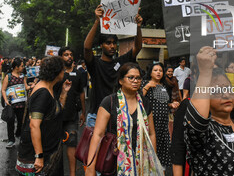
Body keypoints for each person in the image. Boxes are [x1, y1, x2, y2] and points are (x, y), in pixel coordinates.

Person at [185, 46, 234, 175]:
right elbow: (196, 121)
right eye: (216, 91)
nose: (226, 95)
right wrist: (205, 72)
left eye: (228, 89)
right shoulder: (205, 133)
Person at [85, 63, 163, 176]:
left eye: (138, 78)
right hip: (114, 161)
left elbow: (151, 134)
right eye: (130, 77)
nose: (135, 81)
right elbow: (98, 135)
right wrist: (90, 167)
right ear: (121, 81)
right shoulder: (110, 102)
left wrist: (152, 162)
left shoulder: (145, 103)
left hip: (141, 162)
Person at [84, 4, 143, 127]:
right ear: (101, 45)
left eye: (114, 43)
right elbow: (86, 47)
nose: (112, 46)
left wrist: (138, 27)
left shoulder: (121, 62)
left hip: (117, 115)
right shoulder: (95, 64)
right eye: (108, 43)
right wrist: (97, 21)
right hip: (96, 116)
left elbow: (137, 47)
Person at [16, 56, 72, 175]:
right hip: (39, 156)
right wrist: (39, 156)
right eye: (63, 70)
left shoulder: (49, 89)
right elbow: (34, 125)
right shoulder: (43, 93)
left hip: (50, 150)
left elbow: (55, 111)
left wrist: (64, 92)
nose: (64, 72)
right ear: (56, 72)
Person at [54, 47, 86, 176]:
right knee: (56, 147)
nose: (69, 57)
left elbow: (82, 93)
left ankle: (72, 174)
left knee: (72, 144)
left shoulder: (78, 74)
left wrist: (83, 112)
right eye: (66, 54)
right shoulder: (56, 74)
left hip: (72, 116)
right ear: (61, 57)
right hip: (56, 116)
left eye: (71, 54)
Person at [142, 62, 179, 170]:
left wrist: (171, 105)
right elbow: (139, 98)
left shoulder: (164, 86)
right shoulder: (145, 83)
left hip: (163, 122)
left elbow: (162, 103)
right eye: (155, 70)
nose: (158, 72)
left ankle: (159, 168)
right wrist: (147, 86)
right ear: (151, 72)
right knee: (151, 144)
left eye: (160, 71)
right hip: (152, 121)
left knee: (162, 145)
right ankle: (149, 167)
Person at [1, 57, 31, 149]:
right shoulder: (8, 76)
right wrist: (6, 100)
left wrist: (32, 85)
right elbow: (3, 89)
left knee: (21, 121)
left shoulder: (23, 76)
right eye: (22, 66)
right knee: (10, 121)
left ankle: (19, 134)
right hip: (11, 104)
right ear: (16, 67)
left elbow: (26, 87)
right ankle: (11, 140)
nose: (23, 67)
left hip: (21, 104)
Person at [164, 65, 180, 137]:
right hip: (166, 100)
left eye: (171, 72)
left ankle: (172, 134)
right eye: (169, 71)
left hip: (174, 99)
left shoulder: (174, 79)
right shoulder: (164, 80)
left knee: (173, 119)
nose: (170, 73)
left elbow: (178, 90)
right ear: (166, 72)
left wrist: (181, 99)